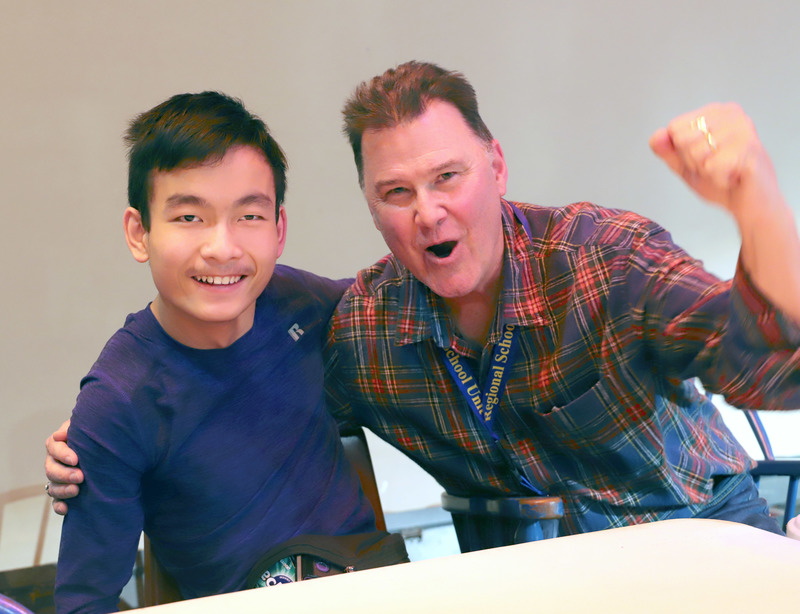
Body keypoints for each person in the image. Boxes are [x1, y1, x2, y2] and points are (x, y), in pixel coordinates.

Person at [48, 62, 800, 538]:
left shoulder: (604, 261)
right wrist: (104, 437)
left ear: (495, 165)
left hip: (697, 533)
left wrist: (756, 197)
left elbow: (774, 372)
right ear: (371, 207)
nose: (429, 213)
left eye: (448, 178)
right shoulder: (364, 333)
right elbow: (243, 382)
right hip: (521, 577)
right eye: (396, 192)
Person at [52, 91, 377, 613]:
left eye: (249, 215)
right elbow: (84, 601)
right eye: (189, 217)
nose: (223, 248)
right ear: (139, 232)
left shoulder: (298, 302)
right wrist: (94, 440)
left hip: (378, 586)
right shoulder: (119, 399)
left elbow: (393, 301)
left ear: (279, 230)